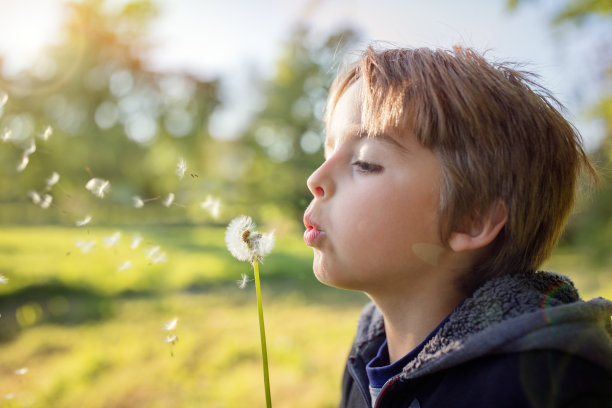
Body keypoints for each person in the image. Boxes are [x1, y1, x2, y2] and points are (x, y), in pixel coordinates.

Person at [303, 46, 612, 408]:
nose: (315, 179)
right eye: (328, 153)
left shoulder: (547, 386)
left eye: (366, 162)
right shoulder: (367, 353)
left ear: (471, 218)